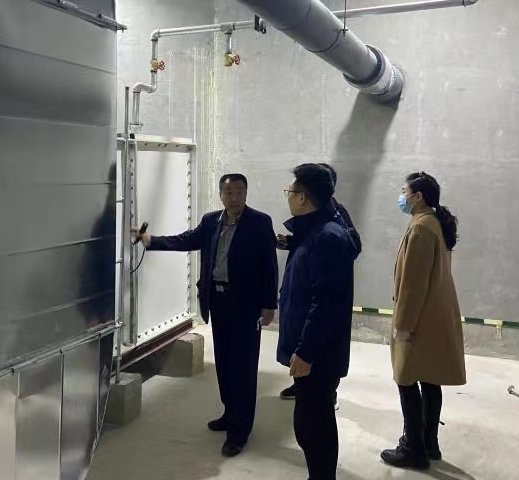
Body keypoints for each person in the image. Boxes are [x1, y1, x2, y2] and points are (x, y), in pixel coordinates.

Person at [133, 173, 278, 457]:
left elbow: (269, 265)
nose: (234, 198)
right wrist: (151, 240)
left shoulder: (260, 222)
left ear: (246, 193)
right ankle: (230, 413)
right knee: (224, 362)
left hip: (245, 305)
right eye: (228, 192)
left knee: (244, 367)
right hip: (218, 302)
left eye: (239, 192)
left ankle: (240, 430)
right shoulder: (211, 221)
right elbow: (186, 240)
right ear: (220, 195)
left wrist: (269, 305)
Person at [278, 164, 360, 480]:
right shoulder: (313, 231)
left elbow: (325, 304)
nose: (288, 197)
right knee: (308, 422)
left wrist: (306, 352)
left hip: (317, 354)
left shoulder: (327, 236)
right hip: (309, 347)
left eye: (290, 191)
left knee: (316, 426)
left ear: (303, 197)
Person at [380, 171, 466, 470]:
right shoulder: (431, 223)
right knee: (429, 380)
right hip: (433, 315)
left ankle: (413, 449)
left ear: (418, 197)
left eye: (404, 191)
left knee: (406, 380)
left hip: (418, 320)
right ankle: (429, 444)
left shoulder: (421, 229)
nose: (401, 196)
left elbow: (412, 286)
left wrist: (403, 326)